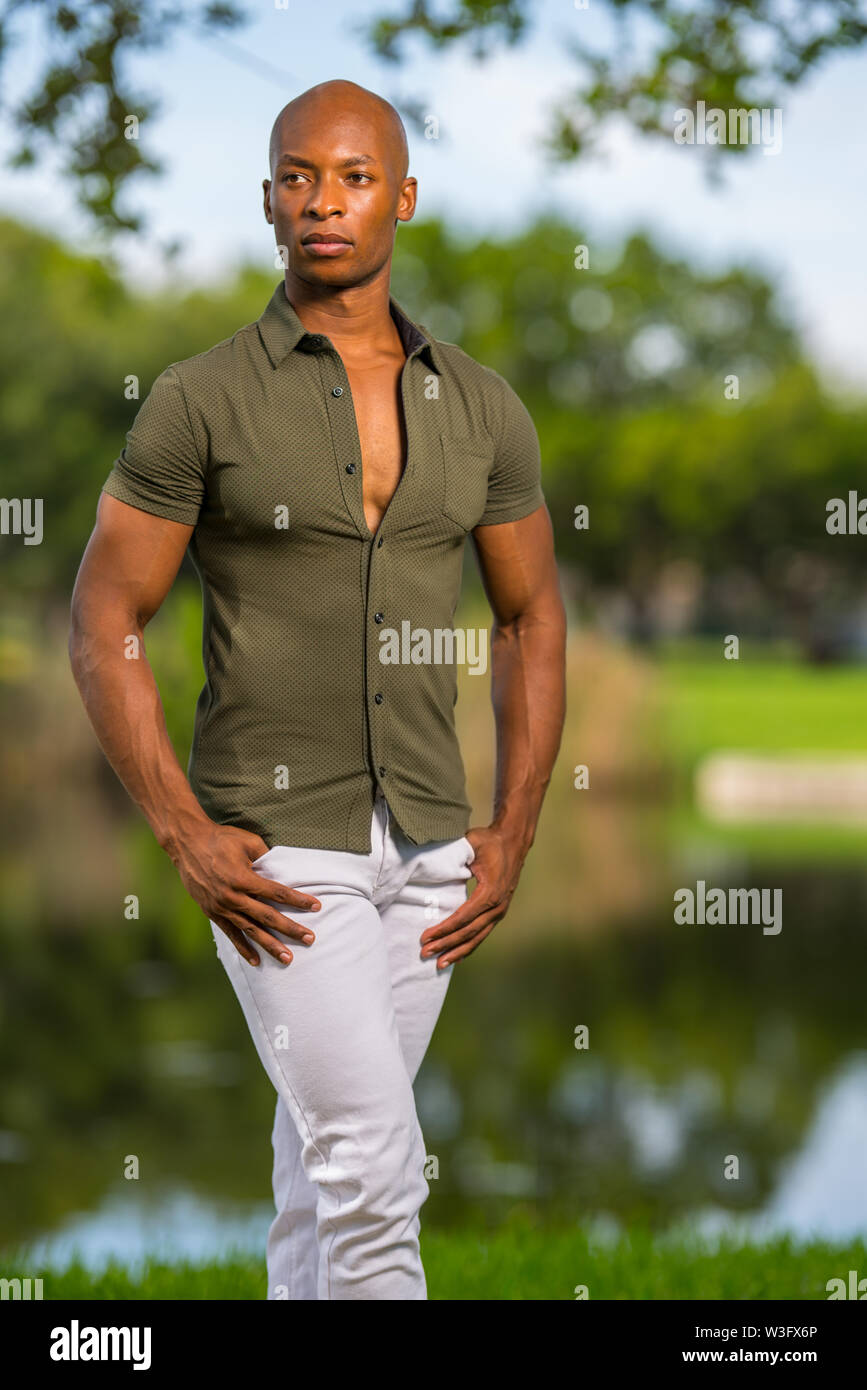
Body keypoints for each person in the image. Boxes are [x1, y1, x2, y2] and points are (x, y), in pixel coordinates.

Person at [69, 78, 566, 1300]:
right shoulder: (199, 399)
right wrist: (182, 829)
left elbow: (531, 615)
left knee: (322, 1171)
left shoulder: (485, 408)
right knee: (377, 1170)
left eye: (351, 177)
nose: (322, 201)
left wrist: (513, 829)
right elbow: (101, 616)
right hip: (280, 856)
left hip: (432, 856)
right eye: (297, 176)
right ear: (269, 201)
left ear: (402, 196)